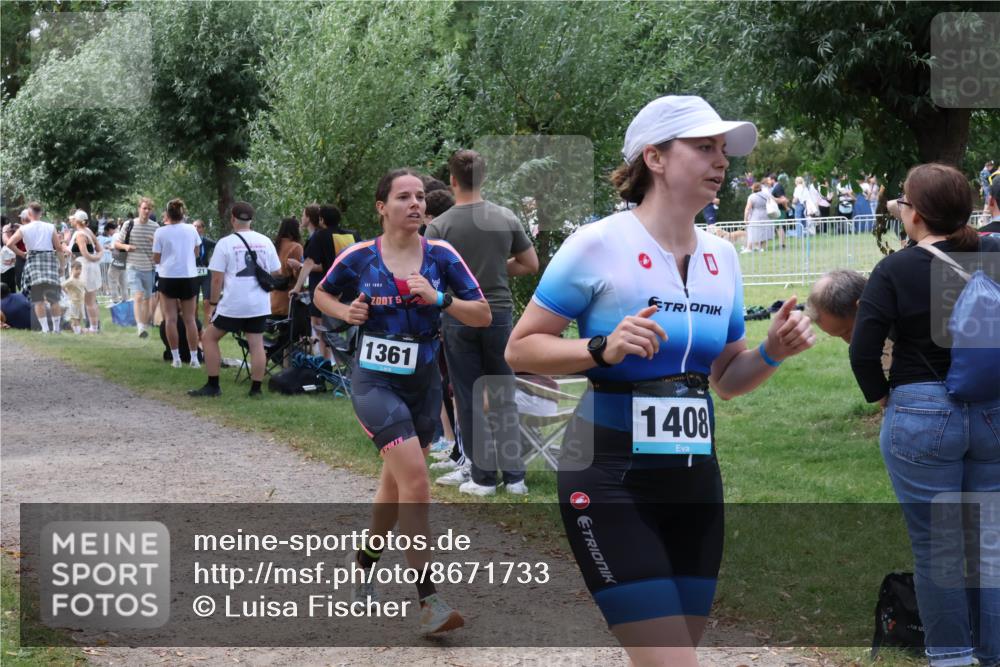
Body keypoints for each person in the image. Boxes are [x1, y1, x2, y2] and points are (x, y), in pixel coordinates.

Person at [505, 95, 815, 667]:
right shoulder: (598, 244)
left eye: (723, 150)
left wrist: (772, 352)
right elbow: (520, 348)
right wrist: (600, 348)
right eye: (703, 147)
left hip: (695, 482)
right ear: (654, 156)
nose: (721, 161)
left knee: (672, 655)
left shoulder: (723, 256)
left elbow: (724, 378)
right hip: (607, 477)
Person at [313, 168, 490, 635]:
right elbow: (321, 294)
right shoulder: (359, 257)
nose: (415, 204)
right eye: (403, 197)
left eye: (419, 198)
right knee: (417, 481)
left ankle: (364, 566)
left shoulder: (442, 256)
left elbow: (482, 314)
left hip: (424, 384)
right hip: (374, 383)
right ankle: (429, 601)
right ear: (381, 207)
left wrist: (440, 298)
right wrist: (345, 311)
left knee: (394, 490)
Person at [850, 163, 1000, 667]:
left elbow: (863, 351)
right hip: (992, 411)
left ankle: (953, 655)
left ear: (914, 214)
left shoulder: (894, 269)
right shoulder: (992, 254)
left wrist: (885, 398)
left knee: (937, 546)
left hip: (920, 405)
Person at [424, 150, 539, 496]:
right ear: (484, 178)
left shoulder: (439, 226)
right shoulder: (504, 217)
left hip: (459, 315)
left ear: (453, 180)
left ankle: (483, 477)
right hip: (500, 313)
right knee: (504, 393)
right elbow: (530, 263)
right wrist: (494, 269)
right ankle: (515, 477)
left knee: (468, 396)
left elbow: (429, 278)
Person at [189, 202, 280, 398]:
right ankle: (256, 389)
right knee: (256, 343)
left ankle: (213, 385)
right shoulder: (265, 241)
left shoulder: (226, 243)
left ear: (232, 219)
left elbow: (216, 278)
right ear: (251, 220)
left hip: (234, 303)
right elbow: (276, 271)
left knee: (209, 338)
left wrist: (213, 304)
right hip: (259, 303)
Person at [152, 198, 202, 369]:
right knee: (190, 319)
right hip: (188, 276)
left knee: (170, 319)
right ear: (183, 213)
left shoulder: (160, 232)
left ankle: (176, 358)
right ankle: (194, 358)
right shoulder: (192, 230)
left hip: (168, 277)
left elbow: (156, 257)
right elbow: (196, 253)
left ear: (167, 214)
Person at [5, 202, 65, 333]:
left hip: (33, 259)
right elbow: (59, 248)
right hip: (49, 259)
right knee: (53, 297)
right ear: (41, 213)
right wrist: (62, 266)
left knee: (38, 298)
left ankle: (45, 330)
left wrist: (22, 254)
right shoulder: (50, 226)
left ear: (29, 214)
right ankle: (56, 329)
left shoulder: (24, 229)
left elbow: (9, 243)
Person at [114, 197, 159, 337]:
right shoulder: (129, 224)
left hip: (150, 267)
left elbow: (161, 248)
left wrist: (155, 242)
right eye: (144, 208)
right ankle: (140, 328)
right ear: (139, 209)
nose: (146, 211)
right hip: (133, 265)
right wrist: (126, 246)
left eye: (149, 209)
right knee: (138, 295)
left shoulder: (156, 227)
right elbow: (117, 244)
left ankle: (144, 325)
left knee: (147, 298)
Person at [68, 210, 103, 333]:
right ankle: (94, 327)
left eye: (72, 219)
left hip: (83, 268)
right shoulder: (88, 231)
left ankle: (81, 328)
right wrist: (98, 257)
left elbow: (85, 253)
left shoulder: (80, 234)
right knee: (91, 301)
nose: (70, 220)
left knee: (80, 299)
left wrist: (95, 258)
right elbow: (98, 248)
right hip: (90, 267)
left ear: (77, 221)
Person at [270, 217, 303, 317]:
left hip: (272, 299)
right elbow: (297, 275)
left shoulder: (274, 245)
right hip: (288, 301)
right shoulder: (296, 247)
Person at [192, 219, 216, 323]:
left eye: (199, 227)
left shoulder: (207, 241)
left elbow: (219, 246)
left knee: (207, 302)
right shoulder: (188, 241)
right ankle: (195, 326)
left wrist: (214, 260)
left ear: (203, 229)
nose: (196, 229)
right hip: (193, 274)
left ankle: (208, 326)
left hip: (206, 273)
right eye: (194, 227)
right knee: (194, 303)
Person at [743, 182, 772, 252]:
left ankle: (749, 248)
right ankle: (761, 247)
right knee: (764, 231)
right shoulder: (766, 195)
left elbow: (748, 208)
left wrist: (745, 219)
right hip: (766, 214)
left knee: (752, 231)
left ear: (753, 189)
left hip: (756, 215)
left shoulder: (752, 196)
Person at [61, 260, 87, 334]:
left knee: (79, 318)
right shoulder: (70, 280)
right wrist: (67, 292)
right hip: (73, 303)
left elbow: (83, 289)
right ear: (72, 270)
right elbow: (62, 286)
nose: (78, 271)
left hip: (81, 303)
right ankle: (78, 332)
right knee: (74, 318)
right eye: (76, 269)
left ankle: (75, 330)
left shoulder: (81, 279)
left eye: (80, 269)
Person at [97, 221, 115, 297]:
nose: (114, 231)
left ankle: (108, 290)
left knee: (109, 276)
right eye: (113, 229)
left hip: (110, 260)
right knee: (104, 276)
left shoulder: (113, 238)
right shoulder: (99, 238)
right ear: (109, 229)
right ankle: (105, 290)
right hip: (103, 260)